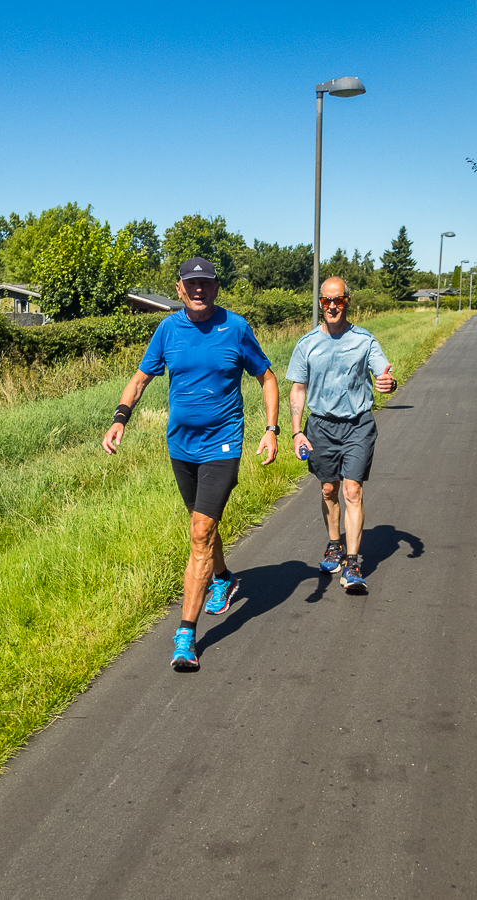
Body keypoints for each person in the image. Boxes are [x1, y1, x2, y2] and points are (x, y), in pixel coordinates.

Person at [103, 257, 279, 670]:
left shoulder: (235, 328)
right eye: (190, 284)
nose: (198, 290)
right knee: (202, 524)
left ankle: (185, 634)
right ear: (179, 289)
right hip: (180, 447)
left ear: (216, 287)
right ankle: (222, 577)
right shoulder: (167, 330)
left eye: (206, 283)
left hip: (223, 444)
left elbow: (267, 377)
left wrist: (271, 429)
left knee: (200, 531)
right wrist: (119, 419)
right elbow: (141, 378)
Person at [287, 276, 396, 594]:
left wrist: (388, 383)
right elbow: (297, 390)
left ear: (348, 301)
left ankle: (352, 562)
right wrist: (296, 432)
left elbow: (385, 375)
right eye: (326, 301)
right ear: (320, 303)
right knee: (328, 491)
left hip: (357, 425)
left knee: (352, 492)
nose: (332, 306)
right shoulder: (307, 344)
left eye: (338, 300)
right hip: (320, 427)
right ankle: (334, 545)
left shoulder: (365, 340)